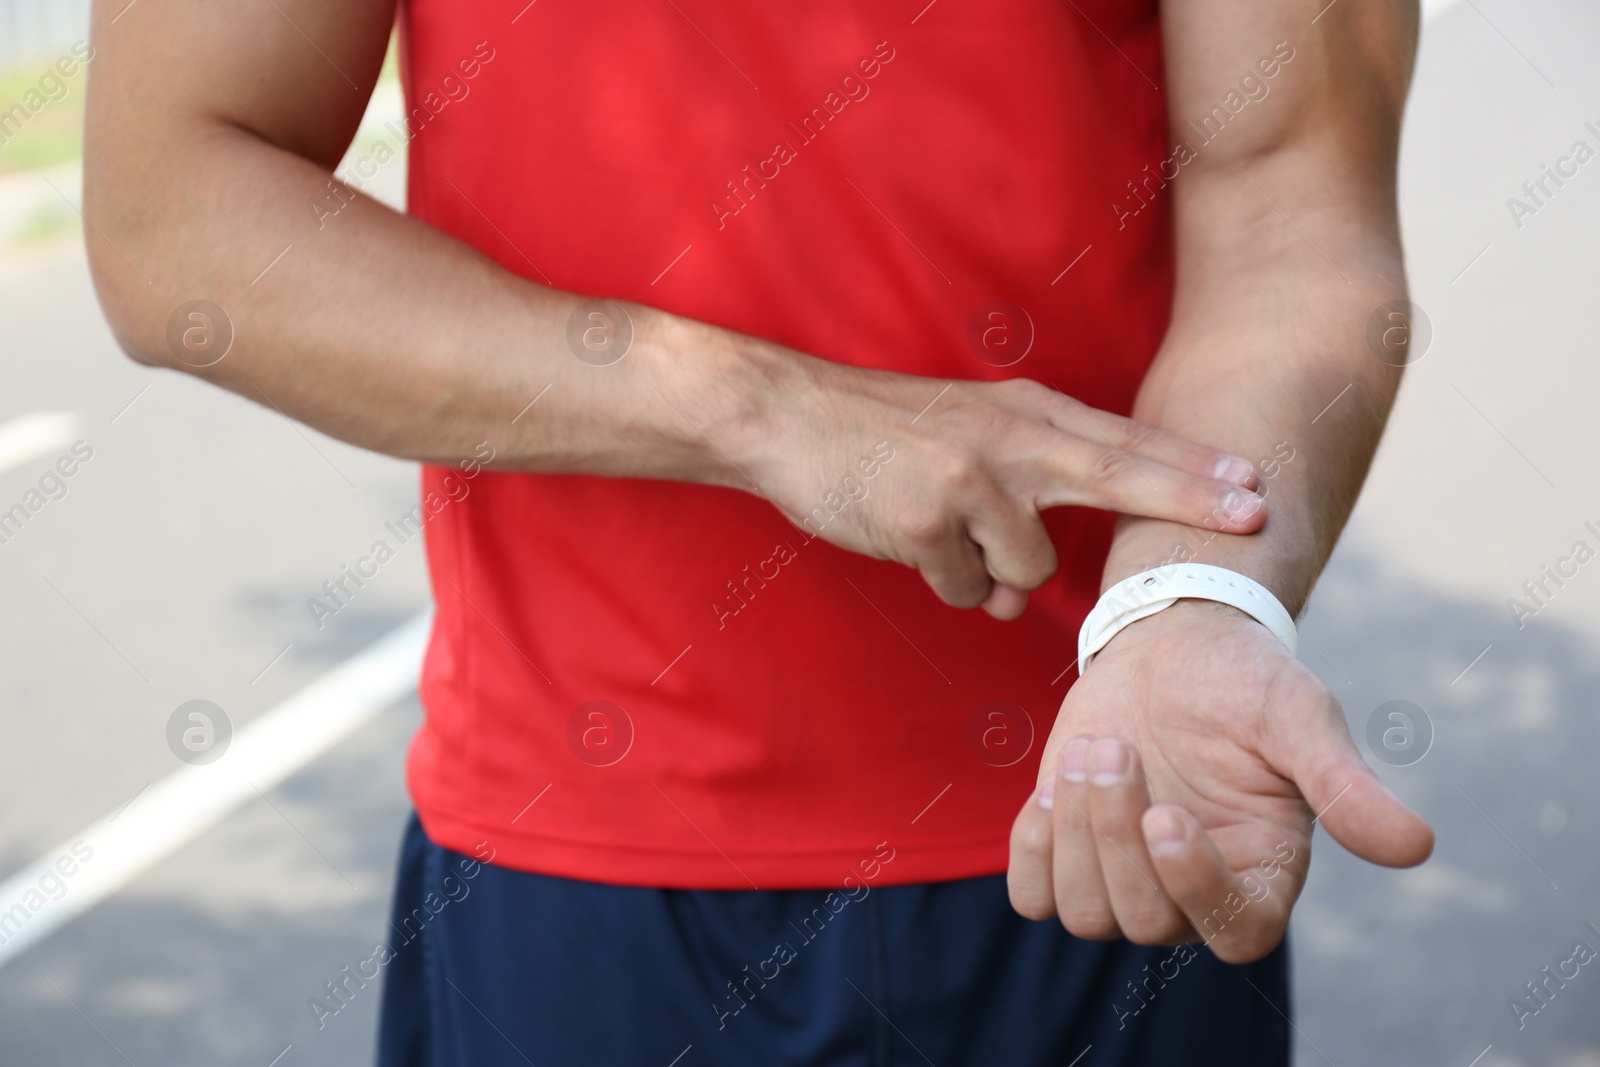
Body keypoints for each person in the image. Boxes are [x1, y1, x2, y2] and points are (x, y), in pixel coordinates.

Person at [84, 0, 1434, 1062]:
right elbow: (178, 216)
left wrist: (1190, 598)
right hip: (581, 872)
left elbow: (1293, 206)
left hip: (1118, 819)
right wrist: (771, 413)